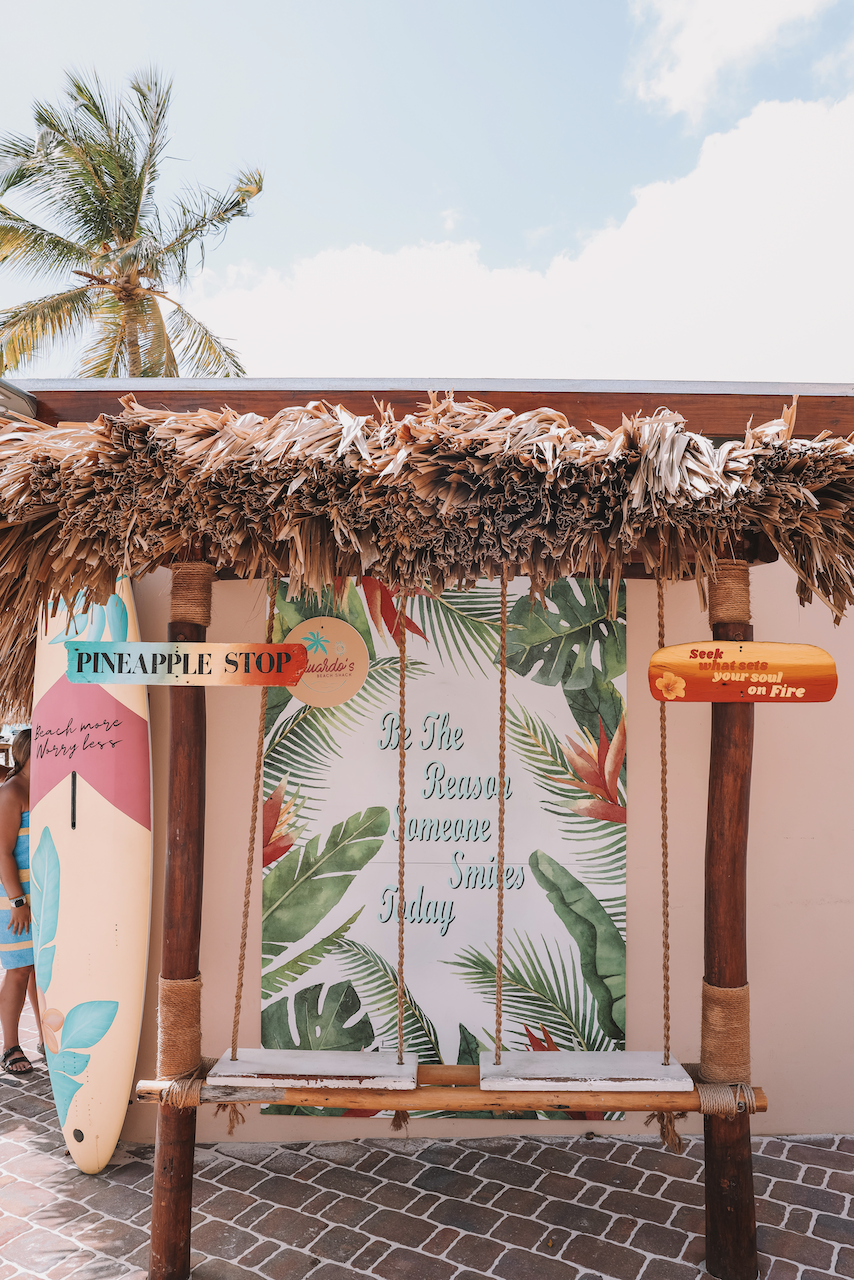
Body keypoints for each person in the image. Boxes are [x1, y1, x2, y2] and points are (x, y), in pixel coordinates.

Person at [0, 730, 42, 1073]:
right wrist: (18, 901)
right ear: (27, 752)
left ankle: (46, 1037)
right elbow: (1, 852)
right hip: (16, 898)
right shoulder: (11, 791)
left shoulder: (43, 786)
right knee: (18, 970)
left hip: (39, 896)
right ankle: (10, 1046)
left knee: (36, 969)